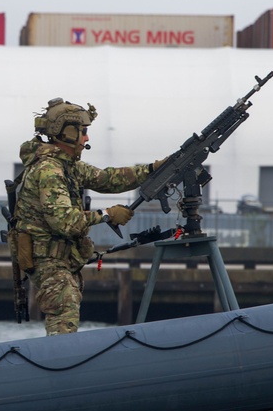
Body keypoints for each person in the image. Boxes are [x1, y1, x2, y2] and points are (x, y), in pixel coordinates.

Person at [12, 98, 167, 335]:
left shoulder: (67, 165)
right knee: (65, 310)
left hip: (62, 259)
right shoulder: (49, 170)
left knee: (68, 309)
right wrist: (107, 215)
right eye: (83, 131)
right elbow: (65, 222)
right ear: (68, 133)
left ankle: (62, 361)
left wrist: (152, 170)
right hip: (49, 260)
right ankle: (60, 363)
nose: (86, 138)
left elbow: (107, 179)